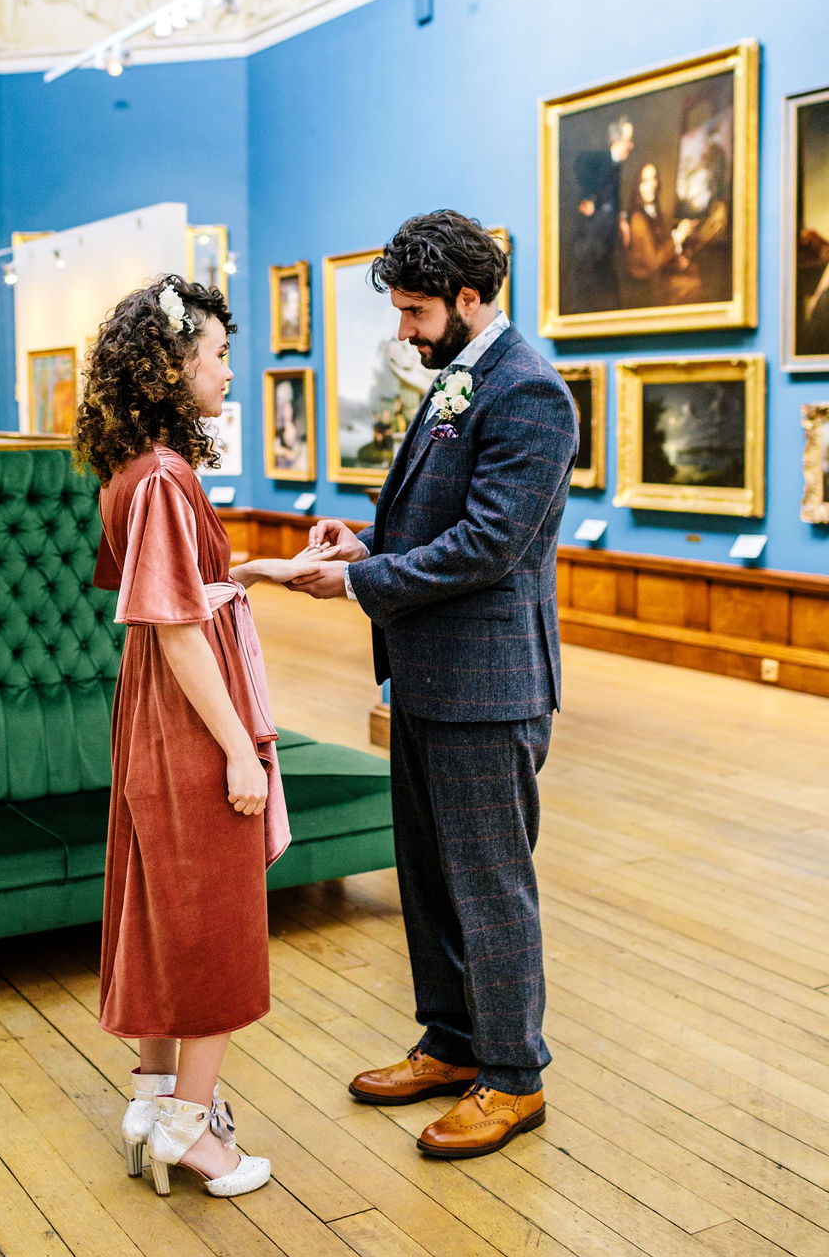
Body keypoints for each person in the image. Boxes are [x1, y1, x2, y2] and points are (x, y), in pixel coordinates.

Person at [291, 211, 579, 1159]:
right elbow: (434, 515)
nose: (404, 331)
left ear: (468, 297)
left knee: (491, 886)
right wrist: (364, 540)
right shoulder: (460, 377)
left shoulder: (530, 392)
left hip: (488, 685)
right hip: (424, 676)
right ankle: (453, 1044)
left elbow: (492, 546)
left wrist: (359, 582)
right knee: (429, 876)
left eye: (415, 311)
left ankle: (511, 1077)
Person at [74, 273, 319, 1198]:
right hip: (187, 715)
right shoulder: (172, 479)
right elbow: (176, 627)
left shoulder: (133, 472)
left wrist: (260, 567)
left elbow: (173, 593)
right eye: (216, 355)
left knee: (157, 905)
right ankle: (192, 1130)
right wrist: (237, 750)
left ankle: (151, 1097)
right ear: (171, 367)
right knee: (213, 917)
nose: (229, 371)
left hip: (146, 714)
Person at [565, 115, 634, 314]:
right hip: (591, 240)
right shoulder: (596, 159)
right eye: (628, 140)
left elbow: (615, 199)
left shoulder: (620, 167)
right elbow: (578, 169)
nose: (631, 145)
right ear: (617, 140)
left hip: (607, 242)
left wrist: (621, 219)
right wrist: (585, 198)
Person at [624, 161, 700, 309]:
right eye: (645, 181)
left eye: (654, 178)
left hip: (656, 279)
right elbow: (654, 262)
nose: (652, 184)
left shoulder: (652, 213)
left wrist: (676, 261)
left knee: (693, 269)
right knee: (694, 285)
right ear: (637, 187)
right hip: (646, 287)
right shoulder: (638, 220)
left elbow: (659, 254)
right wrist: (678, 236)